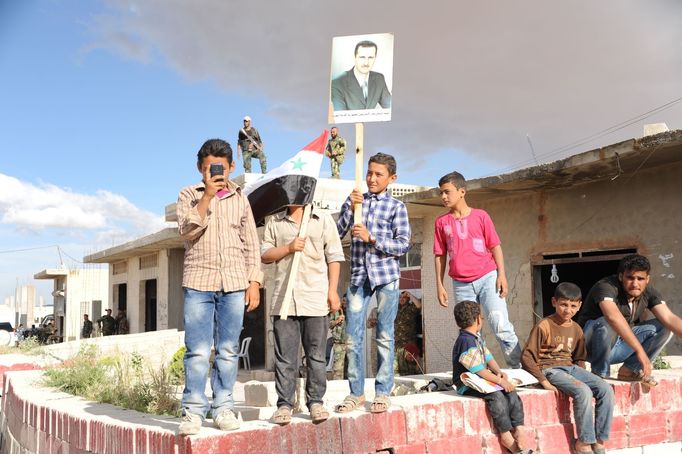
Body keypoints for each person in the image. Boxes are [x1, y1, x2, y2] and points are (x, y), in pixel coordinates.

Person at [175, 138, 263, 435]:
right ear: (200, 168)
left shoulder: (240, 198)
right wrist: (207, 198)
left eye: (221, 167)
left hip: (235, 284)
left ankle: (223, 405)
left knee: (228, 350)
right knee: (197, 351)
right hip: (199, 283)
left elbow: (251, 242)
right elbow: (187, 232)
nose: (215, 172)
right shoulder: (189, 194)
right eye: (209, 167)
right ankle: (193, 410)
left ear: (231, 167)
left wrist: (254, 282)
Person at [335, 152, 411, 414]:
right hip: (358, 276)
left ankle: (382, 391)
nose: (372, 178)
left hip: (386, 276)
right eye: (369, 173)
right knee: (352, 337)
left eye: (378, 174)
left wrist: (372, 239)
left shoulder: (396, 207)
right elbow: (337, 232)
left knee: (384, 335)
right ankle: (356, 393)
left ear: (392, 178)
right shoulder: (357, 201)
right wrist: (348, 205)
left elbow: (402, 245)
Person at [261, 203, 344, 425]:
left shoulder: (323, 219)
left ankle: (316, 401)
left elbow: (334, 256)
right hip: (284, 301)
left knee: (316, 356)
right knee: (285, 357)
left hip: (315, 297)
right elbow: (265, 255)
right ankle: (284, 405)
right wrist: (288, 248)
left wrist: (332, 290)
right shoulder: (275, 222)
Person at [434, 171, 521, 368]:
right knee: (469, 331)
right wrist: (439, 285)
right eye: (441, 193)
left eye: (447, 192)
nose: (443, 197)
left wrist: (502, 275)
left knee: (500, 325)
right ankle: (478, 374)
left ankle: (519, 369)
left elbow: (495, 246)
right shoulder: (441, 222)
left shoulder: (481, 216)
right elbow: (440, 255)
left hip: (488, 278)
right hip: (460, 283)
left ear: (462, 191)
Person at [522, 282, 613, 454]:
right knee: (583, 392)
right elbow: (527, 356)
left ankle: (599, 441)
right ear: (554, 302)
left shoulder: (576, 329)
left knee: (606, 389)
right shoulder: (544, 325)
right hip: (550, 369)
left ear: (579, 306)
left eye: (572, 306)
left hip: (571, 368)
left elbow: (579, 358)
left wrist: (581, 375)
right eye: (563, 304)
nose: (567, 310)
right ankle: (583, 443)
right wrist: (543, 380)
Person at [577, 254, 681, 386]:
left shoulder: (649, 292)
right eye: (630, 278)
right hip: (590, 348)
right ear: (621, 276)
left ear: (647, 279)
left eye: (640, 278)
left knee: (665, 327)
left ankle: (629, 370)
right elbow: (612, 317)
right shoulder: (605, 286)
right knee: (607, 322)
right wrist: (640, 351)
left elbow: (670, 318)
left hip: (618, 347)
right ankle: (599, 374)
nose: (635, 284)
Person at [452, 301, 530, 454]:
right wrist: (500, 381)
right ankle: (506, 435)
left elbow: (488, 357)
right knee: (496, 397)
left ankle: (519, 428)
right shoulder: (465, 341)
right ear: (478, 319)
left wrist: (498, 371)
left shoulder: (476, 337)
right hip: (467, 383)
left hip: (482, 381)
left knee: (511, 391)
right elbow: (479, 371)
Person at [331, 40, 392, 111]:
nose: (366, 62)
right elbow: (340, 117)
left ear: (375, 58)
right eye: (362, 57)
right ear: (354, 57)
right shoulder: (337, 83)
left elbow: (391, 108)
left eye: (370, 57)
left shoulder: (379, 78)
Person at [394, 291, 422, 376]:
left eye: (404, 297)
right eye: (400, 297)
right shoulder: (396, 309)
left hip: (409, 343)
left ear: (408, 299)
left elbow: (419, 305)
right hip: (397, 344)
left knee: (410, 368)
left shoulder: (411, 308)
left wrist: (410, 294)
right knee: (397, 369)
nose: (401, 299)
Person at [329, 296, 348, 380]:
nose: (345, 303)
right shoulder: (336, 311)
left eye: (347, 301)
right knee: (338, 367)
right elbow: (329, 324)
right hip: (339, 342)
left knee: (351, 366)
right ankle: (337, 385)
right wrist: (337, 320)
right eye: (343, 300)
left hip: (350, 342)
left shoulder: (353, 312)